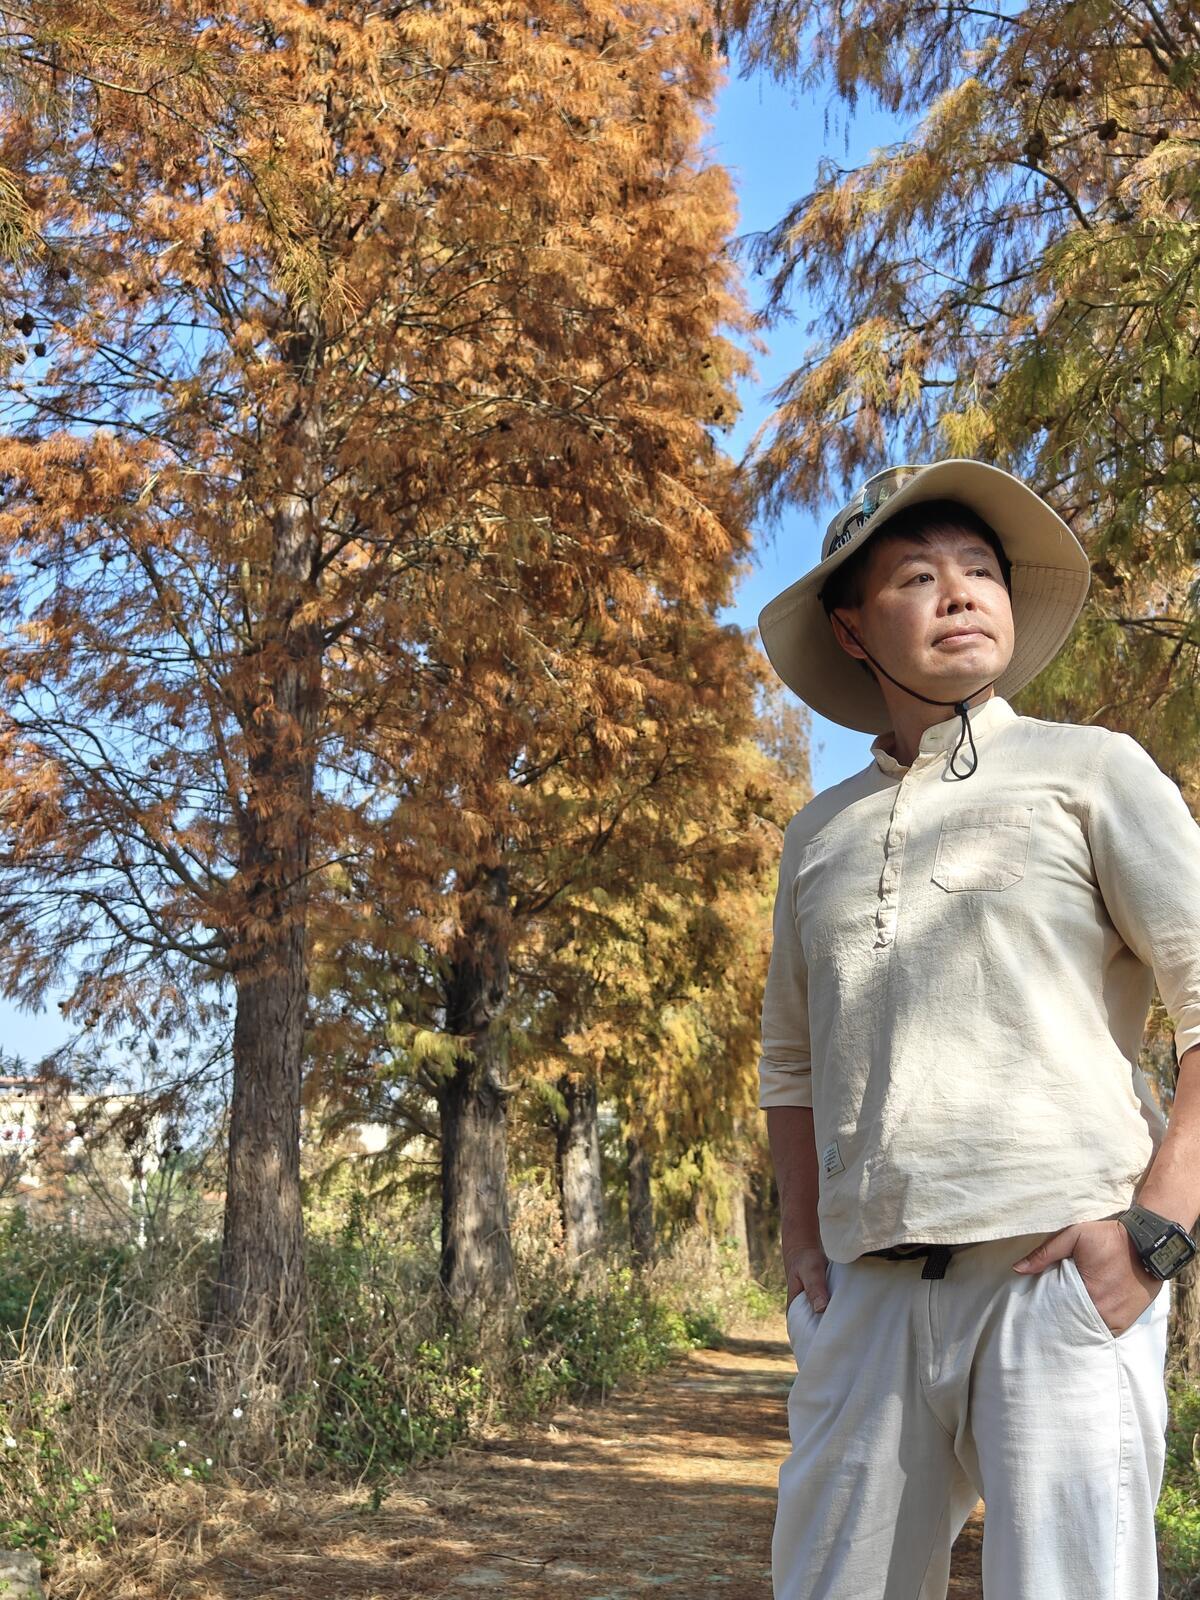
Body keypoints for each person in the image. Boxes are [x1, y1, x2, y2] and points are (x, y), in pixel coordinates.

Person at [755, 459, 1200, 1600]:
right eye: (915, 576)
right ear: (852, 630)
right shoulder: (817, 836)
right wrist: (806, 1254)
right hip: (866, 1294)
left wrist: (1158, 1232)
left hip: (1057, 1274)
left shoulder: (1089, 770)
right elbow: (791, 1063)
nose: (958, 592)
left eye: (980, 571)